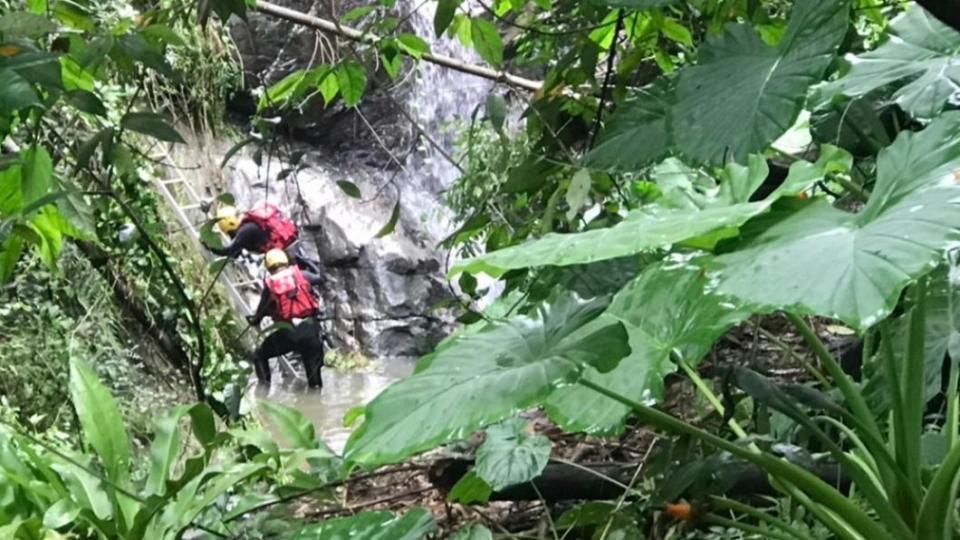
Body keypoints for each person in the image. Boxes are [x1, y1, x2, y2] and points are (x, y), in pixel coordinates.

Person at [248, 249, 325, 388]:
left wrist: (254, 321)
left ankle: (264, 393)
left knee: (259, 355)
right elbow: (321, 278)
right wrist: (307, 262)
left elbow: (260, 312)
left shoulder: (270, 285)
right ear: (286, 261)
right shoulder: (303, 275)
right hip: (311, 332)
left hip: (288, 334)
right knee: (315, 383)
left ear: (268, 267)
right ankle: (317, 400)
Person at [208, 202, 319, 273]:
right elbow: (237, 252)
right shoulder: (250, 223)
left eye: (230, 232)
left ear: (230, 224)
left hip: (287, 254)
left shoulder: (245, 231)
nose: (232, 235)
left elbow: (228, 251)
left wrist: (208, 245)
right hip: (293, 244)